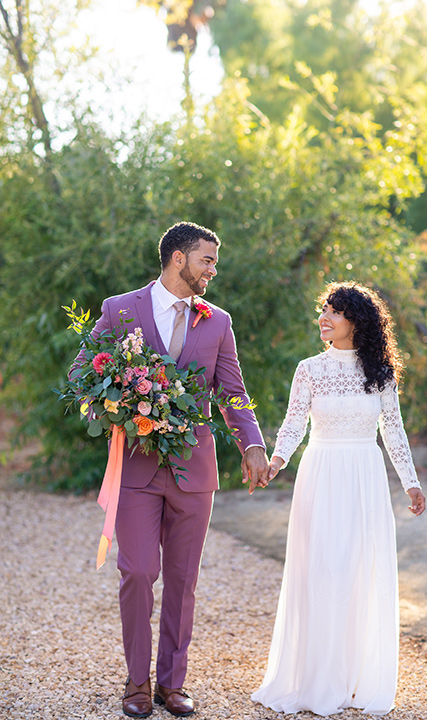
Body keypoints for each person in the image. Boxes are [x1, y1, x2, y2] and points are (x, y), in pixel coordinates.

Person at [73, 222, 269, 718]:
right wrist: (111, 405)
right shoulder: (121, 309)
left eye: (214, 262)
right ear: (178, 259)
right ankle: (136, 683)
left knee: (183, 580)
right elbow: (82, 372)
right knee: (137, 571)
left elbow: (233, 391)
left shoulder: (218, 321)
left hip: (195, 470)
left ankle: (171, 684)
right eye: (207, 259)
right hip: (137, 467)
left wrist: (252, 444)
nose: (213, 269)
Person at [251, 281, 425, 717]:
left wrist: (411, 482)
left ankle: (354, 678)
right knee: (322, 569)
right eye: (323, 310)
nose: (324, 319)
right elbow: (293, 425)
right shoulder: (309, 369)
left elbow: (394, 430)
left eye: (335, 312)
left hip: (364, 476)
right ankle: (316, 679)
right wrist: (277, 460)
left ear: (357, 322)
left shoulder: (380, 374)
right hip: (321, 474)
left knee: (358, 572)